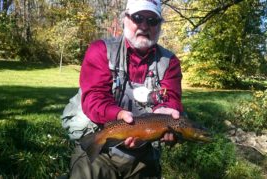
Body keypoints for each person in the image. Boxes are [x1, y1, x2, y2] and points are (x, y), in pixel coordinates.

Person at [66, 0, 183, 178]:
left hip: (143, 152)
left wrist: (166, 113)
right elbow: (94, 98)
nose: (144, 26)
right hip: (100, 143)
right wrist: (119, 115)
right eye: (138, 18)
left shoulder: (170, 62)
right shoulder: (100, 50)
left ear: (159, 25)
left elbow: (171, 99)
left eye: (152, 21)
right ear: (125, 19)